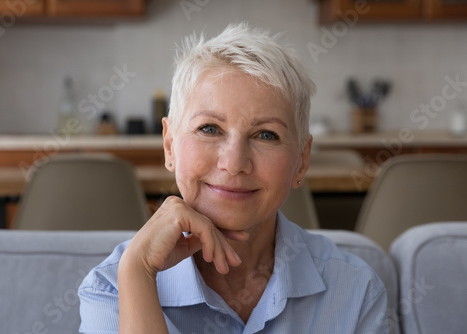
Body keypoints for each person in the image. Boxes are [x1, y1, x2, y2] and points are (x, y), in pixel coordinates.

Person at [78, 23, 389, 334]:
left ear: (302, 160)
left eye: (266, 134)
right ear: (169, 144)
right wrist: (138, 273)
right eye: (209, 128)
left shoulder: (355, 290)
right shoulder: (112, 289)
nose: (234, 163)